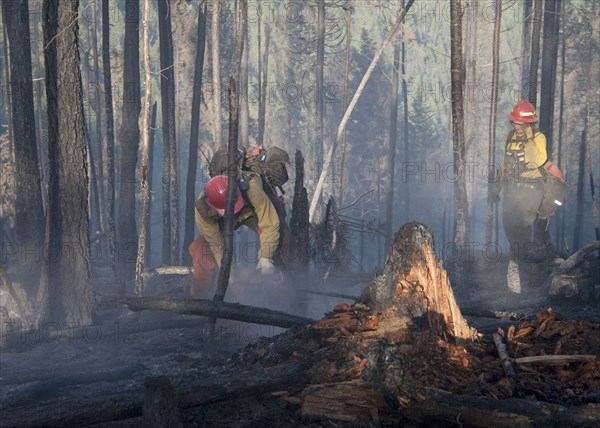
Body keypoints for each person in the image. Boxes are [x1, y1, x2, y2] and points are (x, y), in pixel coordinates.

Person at [188, 172, 285, 298]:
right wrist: (232, 275)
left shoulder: (253, 190)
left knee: (283, 240)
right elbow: (216, 245)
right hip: (222, 220)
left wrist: (266, 258)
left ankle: (282, 298)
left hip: (250, 212)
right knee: (201, 250)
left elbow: (270, 225)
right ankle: (200, 303)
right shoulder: (203, 211)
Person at [492, 100, 549, 303]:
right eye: (514, 122)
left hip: (530, 191)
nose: (515, 126)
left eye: (519, 123)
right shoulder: (510, 137)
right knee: (511, 232)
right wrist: (496, 187)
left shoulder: (539, 138)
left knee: (522, 236)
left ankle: (524, 289)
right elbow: (504, 165)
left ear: (529, 124)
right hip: (512, 191)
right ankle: (515, 284)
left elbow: (536, 161)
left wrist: (530, 138)